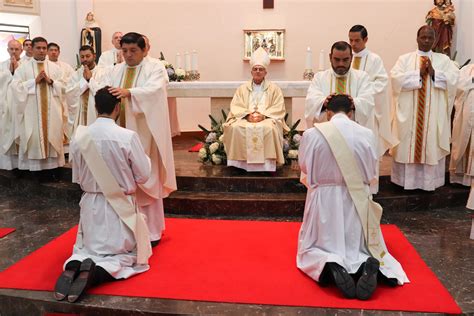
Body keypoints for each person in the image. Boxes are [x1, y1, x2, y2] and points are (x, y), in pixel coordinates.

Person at [297, 95, 408, 300]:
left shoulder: (312, 134)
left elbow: (304, 166)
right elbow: (371, 171)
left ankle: (330, 263)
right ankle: (366, 263)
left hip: (324, 200)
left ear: (328, 113)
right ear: (351, 113)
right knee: (359, 248)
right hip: (356, 199)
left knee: (312, 249)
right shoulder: (366, 134)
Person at [54, 87, 152, 303]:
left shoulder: (79, 136)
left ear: (96, 107)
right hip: (120, 209)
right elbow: (144, 176)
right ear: (118, 107)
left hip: (91, 205)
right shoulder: (127, 136)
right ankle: (96, 273)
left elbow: (78, 178)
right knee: (124, 256)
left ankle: (74, 265)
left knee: (85, 249)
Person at [98, 32, 176, 246]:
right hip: (118, 135)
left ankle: (151, 233)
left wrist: (130, 92)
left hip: (144, 136)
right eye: (125, 51)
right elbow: (103, 88)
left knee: (145, 180)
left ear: (145, 50)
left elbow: (155, 91)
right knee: (122, 180)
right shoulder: (116, 70)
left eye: (133, 51)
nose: (128, 55)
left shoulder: (156, 68)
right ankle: (125, 231)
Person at [390, 25, 459, 191]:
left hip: (433, 116)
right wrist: (417, 73)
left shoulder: (443, 61)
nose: (426, 40)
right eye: (423, 37)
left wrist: (434, 73)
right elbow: (394, 79)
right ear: (417, 38)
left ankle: (429, 183)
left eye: (430, 37)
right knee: (408, 143)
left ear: (434, 40)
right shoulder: (404, 59)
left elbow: (454, 81)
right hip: (409, 116)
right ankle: (405, 182)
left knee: (430, 144)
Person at [223, 47, 287, 172]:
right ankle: (240, 165)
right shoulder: (242, 89)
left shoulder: (274, 89)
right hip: (246, 118)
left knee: (269, 128)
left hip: (266, 118)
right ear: (251, 72)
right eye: (255, 69)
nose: (258, 71)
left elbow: (278, 107)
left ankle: (267, 165)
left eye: (261, 69)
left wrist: (263, 116)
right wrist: (247, 115)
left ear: (265, 72)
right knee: (235, 128)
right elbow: (236, 105)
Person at [9, 37, 66, 171]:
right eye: (38, 48)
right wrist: (33, 82)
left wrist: (51, 81)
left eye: (44, 48)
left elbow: (65, 87)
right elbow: (15, 87)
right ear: (32, 49)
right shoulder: (23, 69)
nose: (41, 51)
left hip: (52, 112)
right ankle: (36, 171)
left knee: (53, 137)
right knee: (33, 138)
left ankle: (53, 170)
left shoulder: (55, 68)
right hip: (31, 113)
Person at [349, 25, 397, 158]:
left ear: (366, 40)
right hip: (349, 110)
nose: (353, 44)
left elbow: (381, 83)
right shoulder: (346, 58)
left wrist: (362, 93)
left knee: (367, 151)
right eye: (351, 40)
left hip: (367, 112)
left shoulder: (374, 59)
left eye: (357, 40)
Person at [305, 41, 374, 133]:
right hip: (326, 134)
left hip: (353, 134)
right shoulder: (319, 78)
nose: (341, 64)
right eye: (337, 59)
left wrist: (354, 103)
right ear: (330, 57)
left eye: (345, 60)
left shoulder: (362, 77)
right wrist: (323, 103)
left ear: (351, 58)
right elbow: (311, 101)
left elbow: (367, 101)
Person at [65, 45, 107, 136]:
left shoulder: (103, 72)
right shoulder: (76, 74)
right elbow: (69, 93)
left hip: (96, 114)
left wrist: (90, 80)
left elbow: (105, 93)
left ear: (94, 56)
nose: (85, 59)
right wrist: (84, 81)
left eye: (88, 56)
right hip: (80, 115)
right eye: (82, 57)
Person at [0, 39, 23, 170]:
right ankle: (9, 165)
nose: (14, 52)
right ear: (7, 50)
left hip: (21, 106)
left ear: (22, 50)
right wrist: (11, 72)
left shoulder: (26, 64)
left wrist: (17, 71)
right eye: (11, 49)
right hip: (6, 105)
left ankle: (22, 166)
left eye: (17, 49)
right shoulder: (2, 65)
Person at [450, 64, 474, 186]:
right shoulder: (467, 69)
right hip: (466, 116)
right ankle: (461, 178)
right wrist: (472, 80)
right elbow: (456, 86)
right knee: (463, 139)